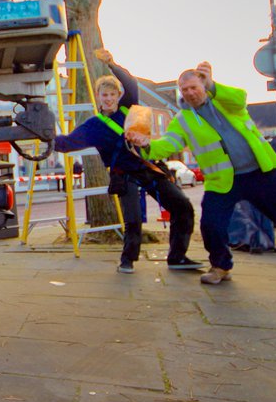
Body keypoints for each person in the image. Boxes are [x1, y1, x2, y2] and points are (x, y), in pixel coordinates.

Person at [130, 62, 276, 294]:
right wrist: (147, 145)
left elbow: (239, 98)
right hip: (223, 180)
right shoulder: (183, 120)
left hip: (262, 173)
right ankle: (220, 266)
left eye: (194, 87)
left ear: (203, 86)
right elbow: (169, 144)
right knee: (211, 225)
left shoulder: (227, 103)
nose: (189, 93)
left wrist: (213, 85)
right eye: (184, 90)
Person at [50, 49, 201, 275]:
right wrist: (43, 136)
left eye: (112, 94)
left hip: (148, 168)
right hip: (124, 174)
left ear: (118, 96)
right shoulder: (93, 126)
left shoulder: (128, 109)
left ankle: (178, 256)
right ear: (98, 98)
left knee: (182, 206)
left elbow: (130, 84)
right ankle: (127, 260)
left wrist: (112, 64)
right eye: (104, 95)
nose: (109, 98)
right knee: (132, 220)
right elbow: (66, 143)